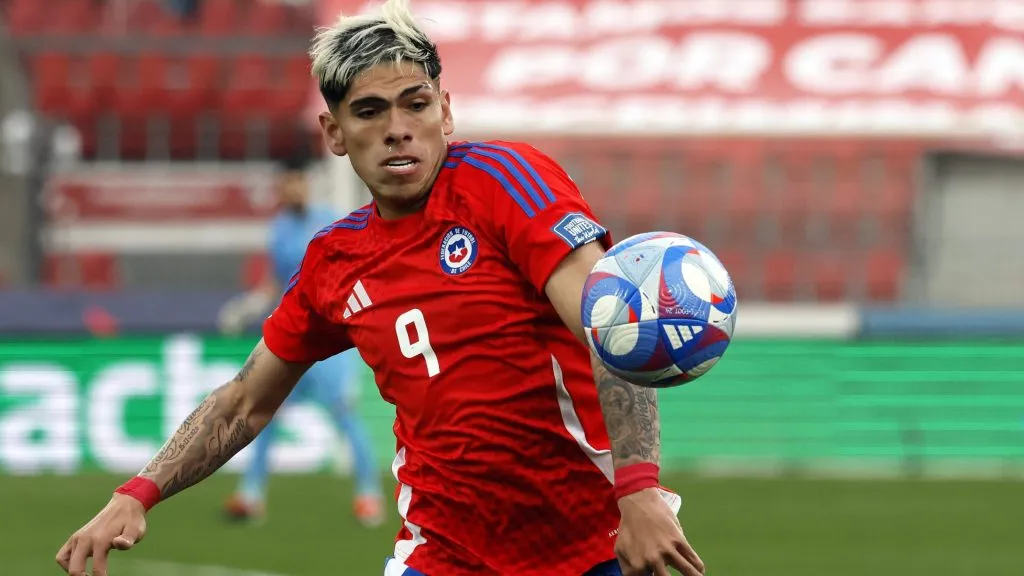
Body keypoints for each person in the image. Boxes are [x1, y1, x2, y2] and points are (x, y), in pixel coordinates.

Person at [54, 1, 706, 575]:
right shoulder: (334, 261)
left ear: (445, 111)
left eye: (415, 104)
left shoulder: (508, 183)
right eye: (369, 111)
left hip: (592, 544)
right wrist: (137, 492)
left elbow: (609, 325)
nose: (397, 127)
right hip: (440, 553)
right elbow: (243, 402)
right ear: (334, 134)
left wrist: (639, 491)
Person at [216, 154, 385, 527]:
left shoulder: (331, 220)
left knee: (345, 415)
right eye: (286, 184)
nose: (292, 189)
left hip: (330, 341)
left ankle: (369, 495)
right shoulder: (279, 229)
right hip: (292, 338)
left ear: (306, 185)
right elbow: (277, 283)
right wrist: (248, 306)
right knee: (264, 413)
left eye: (297, 182)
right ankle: (251, 495)